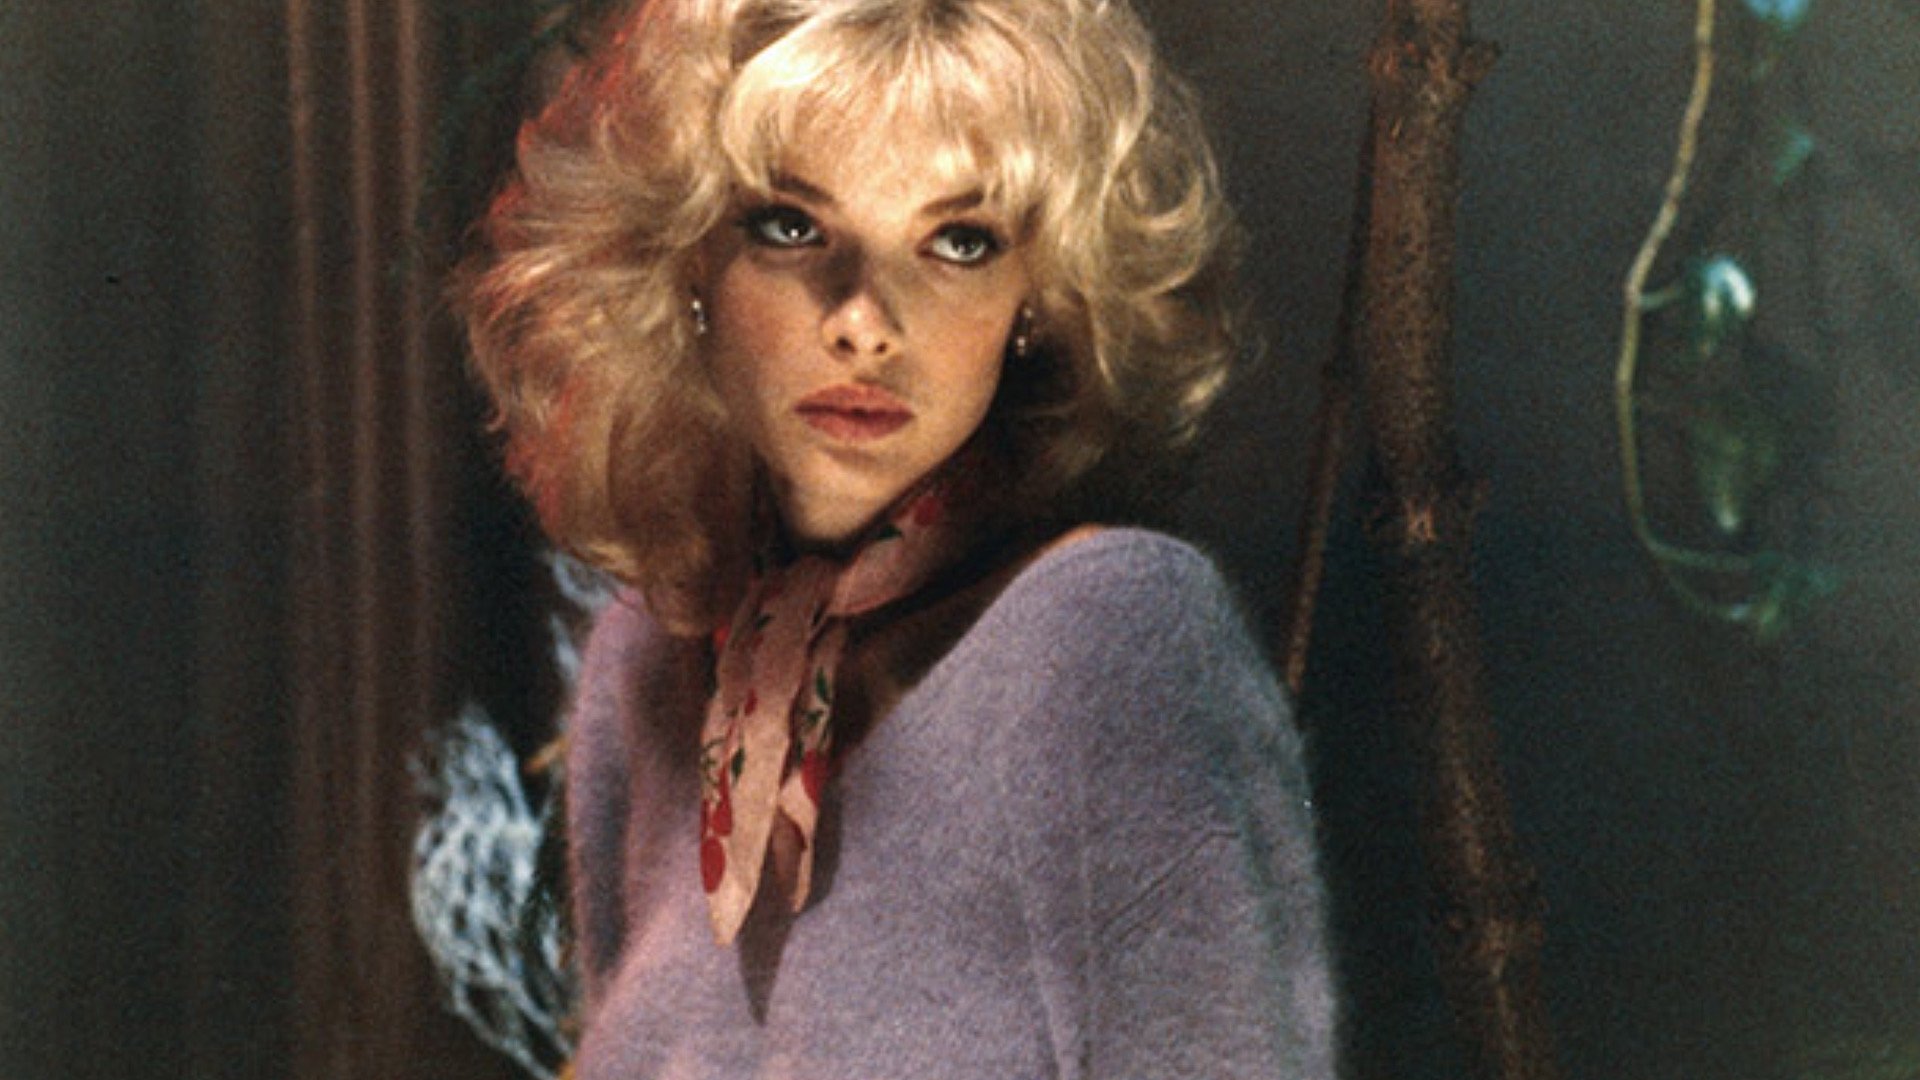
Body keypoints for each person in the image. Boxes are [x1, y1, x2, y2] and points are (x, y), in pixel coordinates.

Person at [457, 0, 1335, 1074]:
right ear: (686, 264)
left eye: (959, 242)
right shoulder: (644, 662)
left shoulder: (1109, 635)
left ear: (1038, 298)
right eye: (792, 227)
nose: (865, 321)